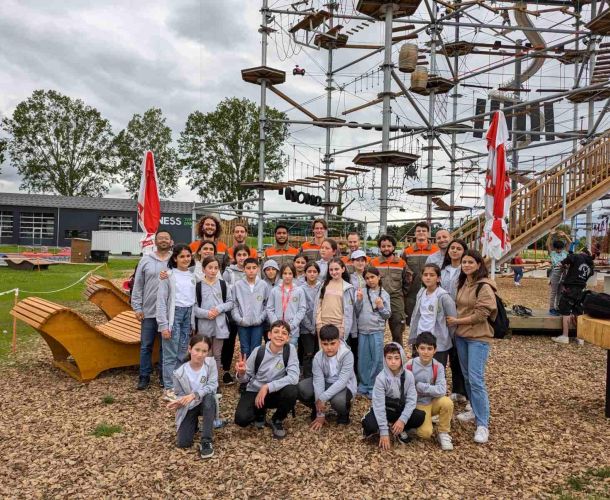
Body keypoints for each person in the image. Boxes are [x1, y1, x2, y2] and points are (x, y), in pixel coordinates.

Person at [446, 249, 497, 444]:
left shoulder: (484, 286)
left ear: (479, 265)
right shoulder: (463, 282)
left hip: (478, 337)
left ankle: (482, 424)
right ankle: (474, 410)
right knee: (467, 376)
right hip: (462, 336)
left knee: (476, 379)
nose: (466, 265)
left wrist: (457, 321)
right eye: (464, 262)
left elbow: (482, 314)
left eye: (470, 262)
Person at [234, 320, 299, 439]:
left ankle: (277, 419)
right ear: (269, 335)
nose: (280, 335)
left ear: (288, 338)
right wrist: (241, 373)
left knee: (292, 391)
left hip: (275, 391)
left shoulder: (290, 350)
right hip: (255, 390)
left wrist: (268, 387)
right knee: (241, 419)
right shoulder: (259, 351)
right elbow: (245, 379)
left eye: (284, 333)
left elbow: (294, 377)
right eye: (276, 332)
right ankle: (260, 412)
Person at [361, 342, 426, 449]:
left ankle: (398, 427)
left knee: (419, 416)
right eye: (389, 358)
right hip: (385, 408)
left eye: (396, 358)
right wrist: (384, 431)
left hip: (399, 408)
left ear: (402, 358)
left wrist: (402, 420)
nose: (393, 361)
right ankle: (383, 424)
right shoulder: (381, 378)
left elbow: (411, 400)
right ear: (384, 359)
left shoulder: (409, 376)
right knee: (370, 426)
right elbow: (379, 405)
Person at [156, 244, 198, 401]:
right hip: (173, 316)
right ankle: (169, 388)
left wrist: (192, 323)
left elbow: (193, 300)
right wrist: (163, 325)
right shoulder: (168, 276)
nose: (186, 259)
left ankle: (179, 385)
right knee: (170, 354)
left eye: (188, 256)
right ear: (175, 258)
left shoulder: (192, 276)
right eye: (182, 256)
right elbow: (161, 301)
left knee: (182, 353)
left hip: (188, 315)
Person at [132, 230, 172, 390]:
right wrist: (137, 307)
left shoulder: (174, 260)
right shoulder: (145, 260)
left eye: (166, 238)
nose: (163, 240)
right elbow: (138, 285)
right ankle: (144, 376)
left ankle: (164, 376)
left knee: (165, 347)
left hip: (167, 313)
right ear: (155, 241)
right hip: (148, 311)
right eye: (160, 238)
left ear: (171, 241)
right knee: (146, 346)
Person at [168, 335, 218, 459]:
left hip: (205, 402)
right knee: (183, 443)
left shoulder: (210, 363)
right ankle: (193, 423)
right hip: (190, 406)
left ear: (208, 352)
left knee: (209, 399)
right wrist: (178, 402)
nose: (200, 354)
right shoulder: (179, 373)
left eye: (204, 351)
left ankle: (206, 440)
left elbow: (213, 385)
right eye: (197, 350)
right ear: (190, 349)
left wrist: (195, 395)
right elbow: (179, 394)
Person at [298, 325, 357, 429]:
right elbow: (318, 382)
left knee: (338, 401)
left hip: (344, 386)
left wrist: (322, 398)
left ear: (339, 341)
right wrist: (320, 414)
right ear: (321, 343)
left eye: (332, 343)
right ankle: (317, 407)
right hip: (326, 382)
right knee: (301, 388)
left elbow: (342, 381)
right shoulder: (318, 357)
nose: (329, 348)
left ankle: (344, 413)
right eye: (325, 344)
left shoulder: (347, 355)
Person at [407, 332, 454, 451]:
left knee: (447, 402)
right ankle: (415, 424)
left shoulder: (438, 366)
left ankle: (443, 433)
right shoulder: (409, 366)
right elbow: (406, 389)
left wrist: (420, 386)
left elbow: (442, 390)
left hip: (433, 402)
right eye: (422, 348)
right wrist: (431, 389)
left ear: (435, 350)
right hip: (418, 404)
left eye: (429, 349)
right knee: (425, 434)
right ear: (417, 348)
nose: (426, 352)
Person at [407, 264, 457, 367]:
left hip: (438, 340)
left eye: (432, 275)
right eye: (425, 275)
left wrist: (450, 338)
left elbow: (452, 320)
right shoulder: (421, 292)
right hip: (421, 337)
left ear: (438, 278)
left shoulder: (443, 296)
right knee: (420, 368)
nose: (428, 277)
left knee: (437, 369)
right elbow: (417, 314)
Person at [193, 256, 234, 380]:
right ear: (203, 269)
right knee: (206, 354)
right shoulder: (198, 286)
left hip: (219, 326)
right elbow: (194, 308)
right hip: (204, 326)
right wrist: (206, 313)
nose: (213, 270)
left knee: (216, 354)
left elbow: (230, 302)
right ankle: (204, 380)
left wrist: (219, 309)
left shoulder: (223, 284)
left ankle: (214, 381)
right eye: (210, 267)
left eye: (216, 268)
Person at [354, 266, 391, 398]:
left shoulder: (384, 294)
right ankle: (363, 384)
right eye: (367, 278)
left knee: (376, 359)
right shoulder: (362, 292)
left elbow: (387, 315)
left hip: (377, 330)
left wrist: (381, 307)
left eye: (372, 277)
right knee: (363, 359)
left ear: (378, 277)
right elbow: (356, 312)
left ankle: (374, 386)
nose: (370, 280)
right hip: (363, 330)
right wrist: (358, 301)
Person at [440, 239, 469, 403]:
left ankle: (460, 390)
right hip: (442, 315)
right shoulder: (443, 270)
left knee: (458, 355)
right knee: (443, 352)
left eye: (459, 248)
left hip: (459, 314)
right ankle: (440, 388)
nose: (455, 251)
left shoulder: (465, 270)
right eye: (452, 248)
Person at [370, 235, 412, 345]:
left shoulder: (401, 263)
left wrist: (402, 294)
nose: (386, 248)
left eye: (389, 246)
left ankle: (398, 352)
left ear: (393, 247)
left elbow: (408, 280)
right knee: (376, 329)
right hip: (378, 298)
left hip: (395, 299)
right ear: (380, 248)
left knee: (397, 330)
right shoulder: (374, 263)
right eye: (383, 246)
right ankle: (377, 352)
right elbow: (368, 278)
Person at [552, 248, 594, 345]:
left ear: (582, 252)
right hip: (581, 290)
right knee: (578, 312)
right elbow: (589, 273)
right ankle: (580, 337)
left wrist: (561, 264)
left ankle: (565, 336)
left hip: (570, 288)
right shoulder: (591, 264)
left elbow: (567, 260)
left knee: (565, 310)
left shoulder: (577, 256)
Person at [220, 243, 249, 383]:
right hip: (231, 313)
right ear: (235, 257)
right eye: (239, 255)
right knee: (229, 342)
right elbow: (223, 291)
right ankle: (226, 370)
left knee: (245, 344)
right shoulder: (228, 272)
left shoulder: (252, 270)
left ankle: (246, 371)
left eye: (244, 255)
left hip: (246, 314)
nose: (242, 257)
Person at [232, 257, 270, 359]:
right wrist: (239, 319)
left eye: (254, 268)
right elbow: (234, 304)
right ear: (244, 269)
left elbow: (267, 304)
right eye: (248, 268)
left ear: (258, 269)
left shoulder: (263, 285)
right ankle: (245, 368)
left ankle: (254, 368)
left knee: (256, 348)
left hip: (258, 323)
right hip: (243, 323)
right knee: (245, 348)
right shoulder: (238, 285)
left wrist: (260, 318)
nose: (251, 270)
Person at [402, 221, 440, 323]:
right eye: (418, 231)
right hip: (412, 291)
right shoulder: (407, 251)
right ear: (415, 233)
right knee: (411, 319)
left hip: (432, 290)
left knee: (430, 318)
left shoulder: (436, 250)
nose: (421, 232)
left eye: (424, 230)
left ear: (428, 233)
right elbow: (403, 270)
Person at [266, 263, 307, 348]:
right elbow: (269, 308)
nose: (287, 276)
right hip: (277, 330)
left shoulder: (299, 291)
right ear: (281, 274)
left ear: (294, 275)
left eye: (290, 273)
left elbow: (302, 309)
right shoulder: (274, 291)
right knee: (277, 352)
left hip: (292, 331)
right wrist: (276, 324)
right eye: (285, 273)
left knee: (290, 352)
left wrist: (292, 325)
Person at [314, 258, 355, 340]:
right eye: (331, 270)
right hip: (323, 324)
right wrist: (319, 324)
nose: (333, 272)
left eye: (336, 269)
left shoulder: (348, 288)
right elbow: (318, 305)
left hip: (339, 326)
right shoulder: (324, 285)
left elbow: (348, 311)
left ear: (343, 269)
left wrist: (343, 329)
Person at [299, 261, 321, 378]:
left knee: (319, 352)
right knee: (308, 352)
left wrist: (317, 326)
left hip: (319, 326)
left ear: (318, 273)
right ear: (305, 273)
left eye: (314, 271)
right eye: (309, 271)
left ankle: (317, 376)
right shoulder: (301, 289)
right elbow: (301, 310)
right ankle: (307, 377)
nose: (312, 274)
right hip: (305, 328)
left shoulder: (322, 287)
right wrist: (310, 327)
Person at [547, 229, 571, 315]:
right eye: (557, 249)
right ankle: (551, 308)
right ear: (555, 248)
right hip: (555, 272)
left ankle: (557, 307)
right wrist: (550, 235)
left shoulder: (565, 252)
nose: (559, 250)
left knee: (560, 292)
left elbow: (569, 242)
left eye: (560, 249)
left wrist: (565, 235)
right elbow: (548, 244)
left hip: (564, 273)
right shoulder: (552, 253)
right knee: (554, 292)